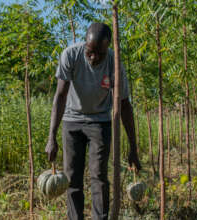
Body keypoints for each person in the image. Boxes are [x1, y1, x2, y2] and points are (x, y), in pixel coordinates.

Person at [45, 23, 141, 220]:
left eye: (99, 53)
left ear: (107, 48)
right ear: (85, 45)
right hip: (72, 120)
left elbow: (124, 104)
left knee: (99, 176)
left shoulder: (115, 62)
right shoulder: (70, 55)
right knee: (72, 179)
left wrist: (133, 147)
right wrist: (51, 136)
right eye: (90, 52)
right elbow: (60, 96)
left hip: (100, 121)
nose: (93, 58)